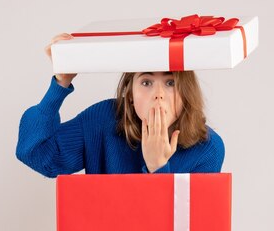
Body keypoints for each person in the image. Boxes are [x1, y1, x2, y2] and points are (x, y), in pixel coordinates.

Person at [16, 33, 225, 178]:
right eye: (146, 82)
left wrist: (158, 167)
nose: (158, 95)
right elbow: (38, 155)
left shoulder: (208, 148)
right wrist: (60, 83)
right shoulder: (104, 119)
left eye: (170, 83)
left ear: (186, 93)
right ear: (130, 94)